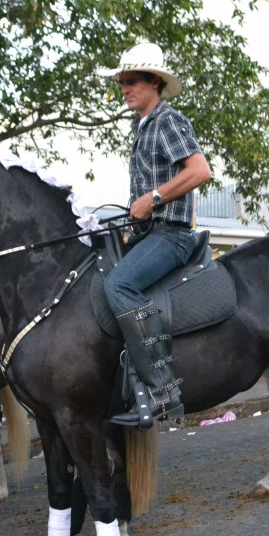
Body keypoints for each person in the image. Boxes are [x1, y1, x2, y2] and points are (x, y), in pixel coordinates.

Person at [96, 42, 212, 429]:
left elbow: (200, 170)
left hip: (172, 234)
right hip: (147, 234)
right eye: (121, 83)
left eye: (131, 82)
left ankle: (163, 391)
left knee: (119, 286)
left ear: (154, 83)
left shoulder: (167, 120)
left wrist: (154, 197)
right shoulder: (141, 126)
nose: (124, 88)